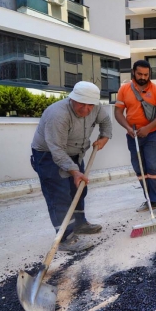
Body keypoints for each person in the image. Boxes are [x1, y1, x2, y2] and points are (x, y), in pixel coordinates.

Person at [30, 81, 112, 252]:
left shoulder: (95, 107)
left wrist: (105, 137)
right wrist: (74, 171)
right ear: (72, 99)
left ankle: (80, 224)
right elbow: (57, 150)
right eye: (82, 104)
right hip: (48, 155)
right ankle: (65, 238)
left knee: (79, 189)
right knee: (59, 194)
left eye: (90, 105)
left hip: (75, 152)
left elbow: (105, 121)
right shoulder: (58, 115)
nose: (86, 109)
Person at [114, 60, 156, 214]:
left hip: (154, 133)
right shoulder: (124, 89)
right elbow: (118, 112)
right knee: (140, 168)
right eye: (140, 74)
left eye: (146, 74)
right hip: (133, 135)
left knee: (154, 166)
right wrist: (127, 128)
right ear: (133, 72)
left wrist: (147, 128)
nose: (143, 77)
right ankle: (150, 200)